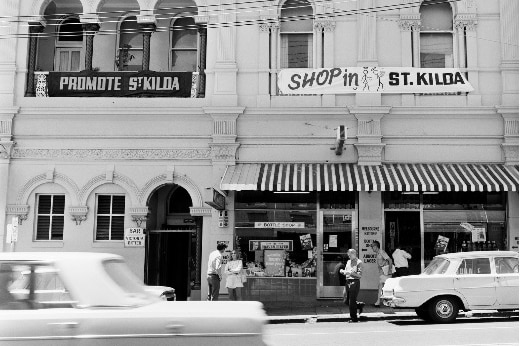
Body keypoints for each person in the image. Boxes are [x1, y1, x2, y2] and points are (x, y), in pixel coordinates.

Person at [339, 249, 363, 323]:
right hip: (348, 281)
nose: (349, 257)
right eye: (348, 255)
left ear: (354, 254)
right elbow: (346, 271)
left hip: (354, 282)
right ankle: (359, 306)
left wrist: (350, 273)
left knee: (351, 301)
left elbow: (359, 275)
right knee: (346, 299)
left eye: (350, 255)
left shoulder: (359, 262)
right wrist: (343, 271)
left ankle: (353, 318)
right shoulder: (348, 261)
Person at [371, 240, 393, 307]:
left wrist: (389, 270)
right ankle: (379, 302)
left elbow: (390, 260)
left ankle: (378, 302)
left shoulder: (382, 252)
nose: (372, 248)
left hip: (386, 273)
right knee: (381, 287)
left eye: (372, 246)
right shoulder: (378, 253)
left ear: (376, 246)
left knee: (382, 286)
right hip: (382, 272)